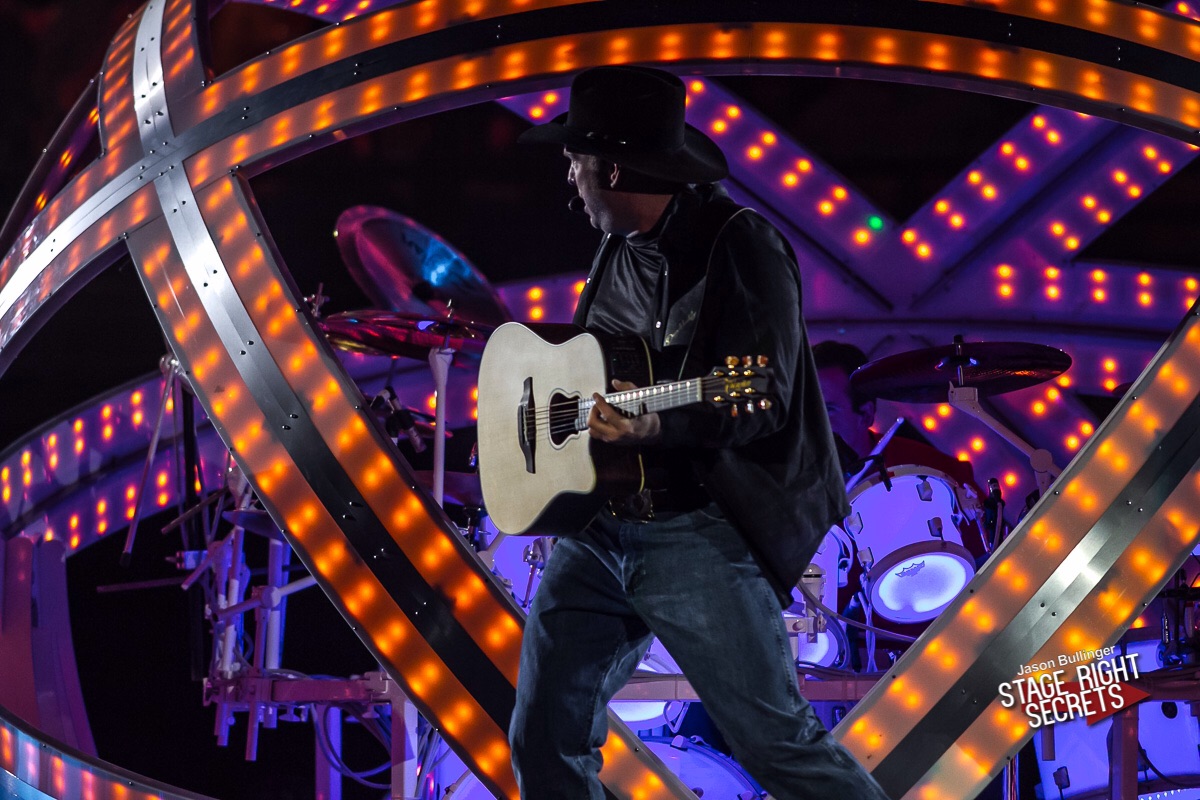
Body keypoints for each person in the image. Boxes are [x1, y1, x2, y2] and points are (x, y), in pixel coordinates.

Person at [507, 65, 889, 799]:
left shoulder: (740, 244)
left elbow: (765, 395)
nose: (570, 182)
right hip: (601, 529)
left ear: (614, 169)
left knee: (777, 746)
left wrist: (654, 423)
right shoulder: (616, 245)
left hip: (695, 532)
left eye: (576, 162)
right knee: (544, 736)